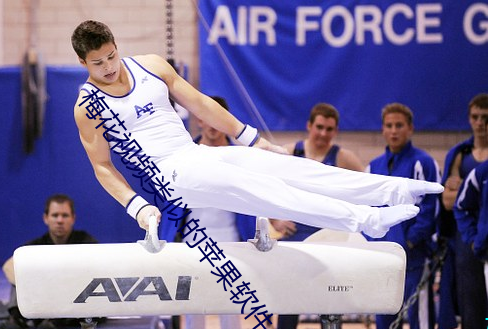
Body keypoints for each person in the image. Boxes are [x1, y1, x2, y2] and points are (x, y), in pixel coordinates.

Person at [71, 20, 442, 250]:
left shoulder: (150, 65)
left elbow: (201, 103)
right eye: (98, 63)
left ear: (117, 46)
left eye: (111, 56)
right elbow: (102, 167)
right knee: (267, 192)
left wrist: (250, 138)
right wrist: (137, 207)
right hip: (170, 177)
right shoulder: (88, 106)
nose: (108, 68)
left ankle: (390, 189)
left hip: (195, 155)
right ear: (83, 63)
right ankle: (364, 220)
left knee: (289, 169)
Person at [273, 102, 364, 329]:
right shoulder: (289, 152)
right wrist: (275, 219)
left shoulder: (343, 158)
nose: (323, 134)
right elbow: (263, 189)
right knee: (288, 302)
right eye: (319, 127)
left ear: (335, 131)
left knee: (331, 301)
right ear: (309, 126)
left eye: (329, 129)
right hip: (295, 236)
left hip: (329, 240)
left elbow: (367, 192)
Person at [181, 96, 255, 329]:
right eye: (207, 118)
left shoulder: (240, 158)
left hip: (231, 238)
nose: (212, 125)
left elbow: (254, 198)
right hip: (192, 239)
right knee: (192, 306)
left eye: (217, 119)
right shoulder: (184, 153)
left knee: (232, 307)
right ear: (199, 119)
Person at [365, 103, 440, 329]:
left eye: (399, 125)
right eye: (389, 126)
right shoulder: (373, 167)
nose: (394, 131)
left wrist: (410, 241)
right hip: (383, 259)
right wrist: (373, 243)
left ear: (410, 129)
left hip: (414, 257)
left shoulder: (423, 163)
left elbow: (430, 208)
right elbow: (366, 209)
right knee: (385, 321)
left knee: (420, 320)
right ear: (383, 130)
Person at [0, 194, 98, 329]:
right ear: (46, 218)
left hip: (74, 301)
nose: (60, 220)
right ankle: (16, 318)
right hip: (43, 297)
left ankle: (58, 319)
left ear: (73, 218)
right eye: (55, 215)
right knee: (20, 270)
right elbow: (9, 266)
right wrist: (38, 283)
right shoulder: (35, 246)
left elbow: (96, 270)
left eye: (65, 215)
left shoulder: (86, 242)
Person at [438, 93, 488, 329]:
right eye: (475, 117)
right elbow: (447, 202)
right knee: (471, 304)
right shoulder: (460, 154)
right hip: (467, 238)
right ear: (469, 119)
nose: (480, 123)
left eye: (485, 118)